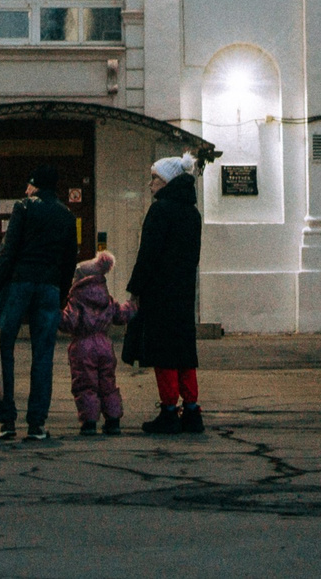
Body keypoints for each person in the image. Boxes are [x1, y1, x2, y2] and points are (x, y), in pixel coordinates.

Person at [0, 163, 79, 441]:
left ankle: (7, 422)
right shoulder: (66, 215)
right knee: (43, 355)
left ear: (36, 185)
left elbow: (8, 251)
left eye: (29, 184)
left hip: (18, 283)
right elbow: (69, 259)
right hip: (49, 287)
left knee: (5, 350)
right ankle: (37, 424)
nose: (26, 189)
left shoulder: (23, 208)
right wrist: (61, 293)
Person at [123, 153, 205, 434]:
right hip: (183, 291)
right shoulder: (192, 213)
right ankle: (192, 411)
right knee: (184, 350)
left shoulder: (160, 211)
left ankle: (169, 411)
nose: (150, 184)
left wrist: (136, 289)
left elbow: (148, 254)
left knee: (163, 353)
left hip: (159, 292)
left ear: (167, 181)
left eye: (154, 178)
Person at [59, 250, 134, 436]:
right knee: (108, 383)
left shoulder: (77, 300)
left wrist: (53, 313)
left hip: (83, 346)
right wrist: (133, 305)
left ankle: (89, 422)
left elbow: (69, 322)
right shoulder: (106, 299)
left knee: (86, 384)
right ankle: (113, 420)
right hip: (104, 345)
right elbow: (121, 315)